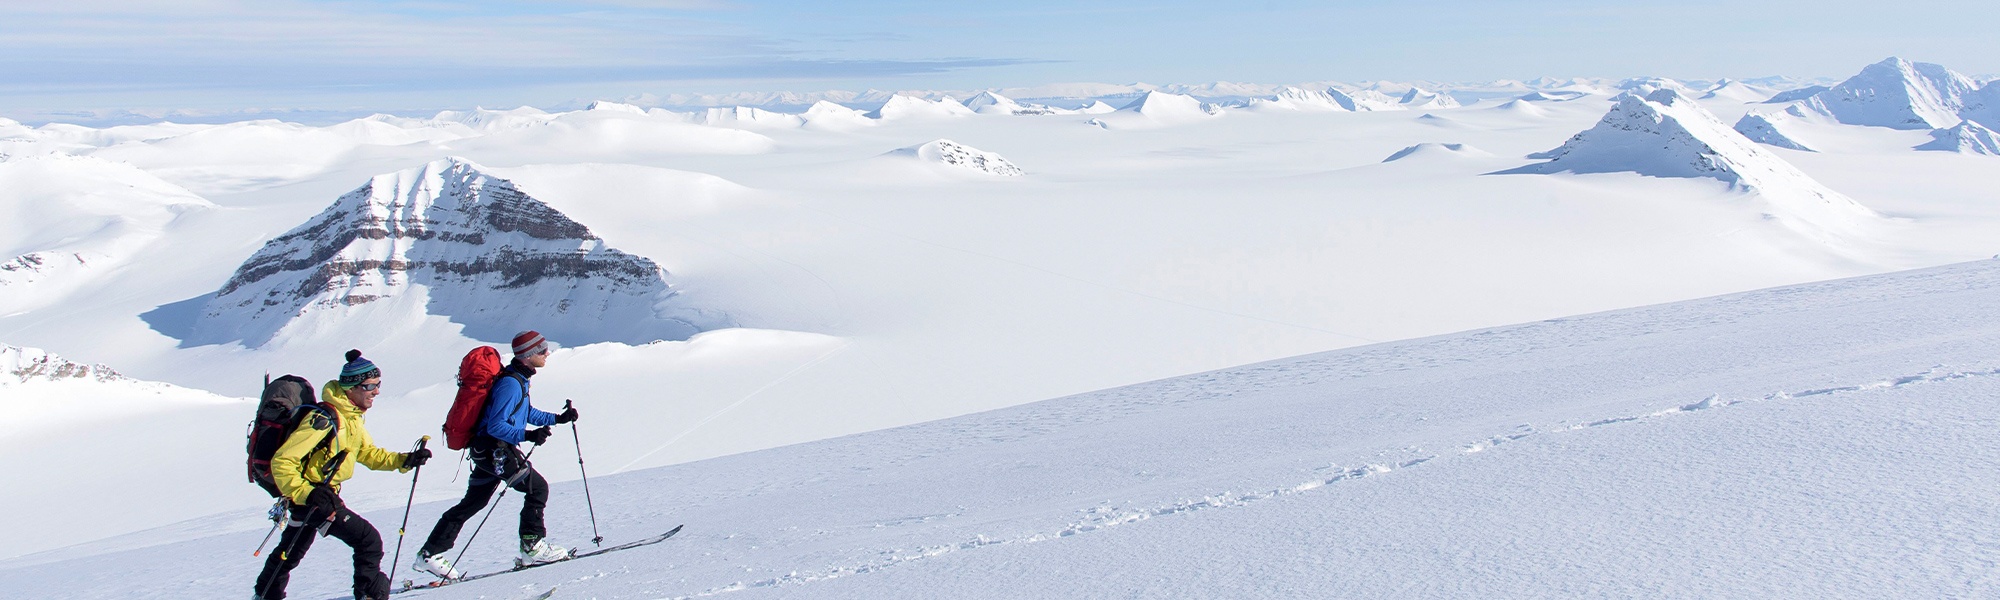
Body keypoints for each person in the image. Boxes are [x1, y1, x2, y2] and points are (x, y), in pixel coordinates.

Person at [255, 350, 431, 600]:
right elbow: (283, 461)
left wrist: (404, 460)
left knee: (291, 550)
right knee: (368, 541)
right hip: (315, 497)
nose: (376, 391)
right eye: (370, 385)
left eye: (378, 384)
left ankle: (265, 594)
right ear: (351, 387)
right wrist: (308, 493)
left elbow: (367, 453)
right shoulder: (324, 419)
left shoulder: (351, 417)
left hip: (312, 497)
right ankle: (368, 595)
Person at [414, 330, 580, 579]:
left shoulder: (518, 379)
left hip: (486, 452)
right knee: (537, 488)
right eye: (542, 349)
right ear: (528, 354)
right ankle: (532, 547)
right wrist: (528, 436)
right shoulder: (511, 383)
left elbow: (524, 411)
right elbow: (496, 425)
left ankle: (429, 554)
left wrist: (557, 419)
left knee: (473, 503)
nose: (547, 352)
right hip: (496, 451)